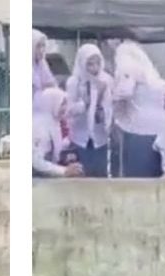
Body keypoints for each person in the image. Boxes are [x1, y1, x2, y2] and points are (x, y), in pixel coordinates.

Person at [111, 41, 165, 178]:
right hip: (160, 129)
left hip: (138, 129)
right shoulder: (152, 76)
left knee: (139, 177)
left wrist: (113, 99)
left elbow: (124, 92)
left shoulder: (126, 68)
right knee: (158, 173)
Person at [66, 43, 113, 178]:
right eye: (90, 64)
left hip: (100, 138)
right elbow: (69, 110)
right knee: (82, 176)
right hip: (80, 138)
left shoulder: (106, 80)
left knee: (100, 176)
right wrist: (85, 103)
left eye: (98, 63)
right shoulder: (74, 82)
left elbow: (110, 109)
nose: (95, 68)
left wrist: (100, 98)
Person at [33, 87, 82, 178]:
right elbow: (36, 162)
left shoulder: (54, 123)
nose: (65, 108)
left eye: (65, 104)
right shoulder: (40, 127)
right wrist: (64, 171)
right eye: (62, 104)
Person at [33, 29, 57, 96]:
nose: (42, 50)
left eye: (43, 45)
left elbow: (51, 84)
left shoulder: (42, 64)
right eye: (38, 46)